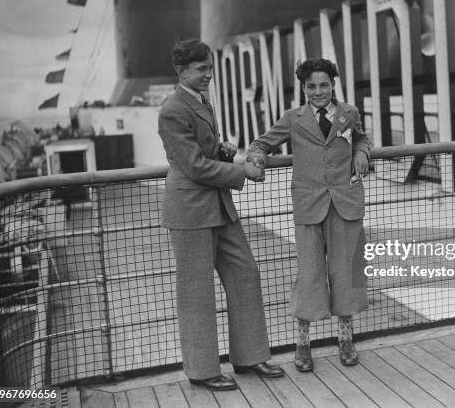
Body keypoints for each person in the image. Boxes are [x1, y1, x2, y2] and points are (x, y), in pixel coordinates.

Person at [157, 38, 284, 391]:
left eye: (210, 68)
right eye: (202, 70)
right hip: (191, 210)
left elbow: (204, 152)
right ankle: (202, 370)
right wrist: (243, 170)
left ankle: (249, 356)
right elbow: (194, 166)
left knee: (245, 273)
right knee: (196, 291)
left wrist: (223, 149)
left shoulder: (199, 101)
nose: (209, 75)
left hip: (217, 205)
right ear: (182, 71)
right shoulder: (172, 109)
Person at [247, 58, 371, 371]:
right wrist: (258, 159)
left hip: (345, 202)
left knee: (346, 273)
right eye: (311, 86)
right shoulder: (293, 118)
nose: (318, 91)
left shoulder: (349, 113)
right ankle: (303, 345)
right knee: (310, 274)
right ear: (303, 88)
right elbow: (261, 143)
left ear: (333, 85)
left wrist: (361, 154)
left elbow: (361, 137)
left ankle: (346, 339)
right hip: (308, 206)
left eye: (324, 85)